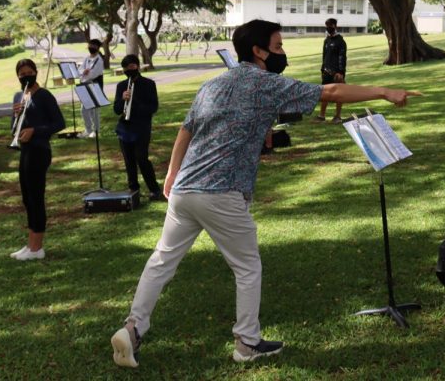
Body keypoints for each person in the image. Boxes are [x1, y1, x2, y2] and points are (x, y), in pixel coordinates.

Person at [111, 19, 421, 368]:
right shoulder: (266, 85)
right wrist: (385, 92)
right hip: (222, 192)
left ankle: (133, 327)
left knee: (162, 260)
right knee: (246, 267)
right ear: (258, 52)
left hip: (185, 189)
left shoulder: (212, 84)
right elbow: (331, 92)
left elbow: (186, 129)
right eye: (278, 46)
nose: (283, 52)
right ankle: (247, 342)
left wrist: (171, 174)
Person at [10, 59, 66, 261]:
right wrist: (16, 116)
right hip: (24, 150)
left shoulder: (44, 96)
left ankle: (37, 248)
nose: (26, 76)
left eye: (29, 72)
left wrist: (36, 131)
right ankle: (30, 244)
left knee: (36, 197)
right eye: (22, 73)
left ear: (35, 72)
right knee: (27, 198)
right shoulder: (19, 96)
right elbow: (13, 129)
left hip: (39, 150)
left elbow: (59, 123)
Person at [113, 54, 163, 200]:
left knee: (142, 158)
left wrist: (134, 102)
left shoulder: (148, 84)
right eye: (126, 68)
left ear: (138, 67)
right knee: (129, 161)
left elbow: (153, 107)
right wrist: (123, 100)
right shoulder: (121, 86)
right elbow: (116, 110)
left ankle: (154, 189)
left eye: (132, 67)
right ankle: (133, 190)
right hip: (125, 128)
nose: (130, 70)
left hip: (141, 127)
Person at [314, 18, 347, 123]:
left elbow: (342, 57)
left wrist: (341, 72)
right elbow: (324, 56)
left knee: (339, 94)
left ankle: (337, 116)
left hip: (337, 73)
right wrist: (322, 69)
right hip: (326, 71)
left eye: (330, 25)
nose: (328, 28)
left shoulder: (340, 41)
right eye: (326, 25)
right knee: (324, 93)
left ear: (335, 26)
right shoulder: (326, 40)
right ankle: (321, 116)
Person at [79, 39, 105, 138]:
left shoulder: (99, 60)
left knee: (94, 110)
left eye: (94, 46)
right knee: (84, 109)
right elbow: (80, 70)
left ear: (98, 48)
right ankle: (88, 129)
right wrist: (83, 72)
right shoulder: (86, 58)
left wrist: (84, 74)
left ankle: (96, 131)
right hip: (84, 86)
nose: (91, 47)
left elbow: (93, 74)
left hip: (95, 86)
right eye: (90, 45)